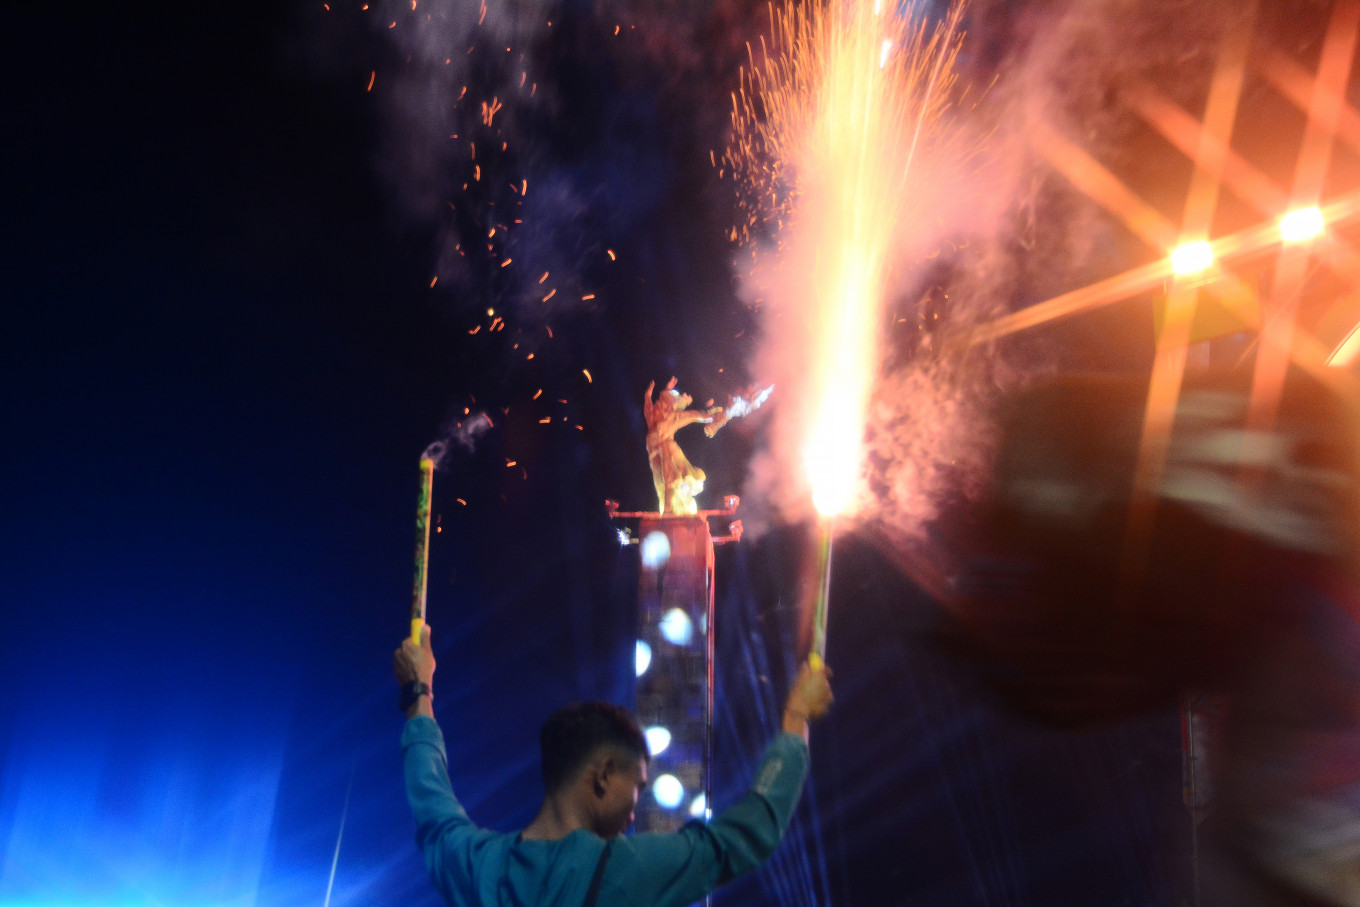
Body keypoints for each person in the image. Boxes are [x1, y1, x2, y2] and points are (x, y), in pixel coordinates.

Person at [394, 625, 834, 907]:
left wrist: (420, 693)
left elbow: (433, 807)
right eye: (637, 787)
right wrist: (795, 722)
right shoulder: (627, 871)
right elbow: (746, 833)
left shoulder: (478, 866)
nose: (634, 809)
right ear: (603, 774)